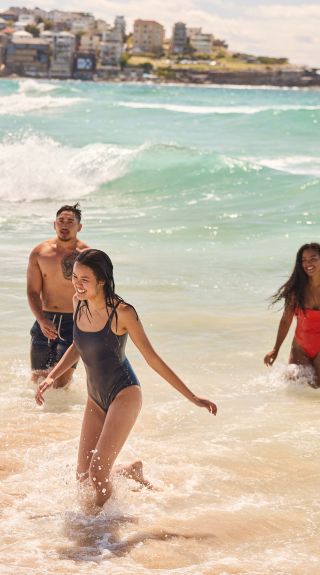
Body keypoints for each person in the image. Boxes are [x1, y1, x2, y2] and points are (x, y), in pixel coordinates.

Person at [35, 249, 217, 508]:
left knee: (97, 475)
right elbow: (79, 344)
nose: (77, 284)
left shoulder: (122, 313)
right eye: (75, 277)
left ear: (102, 281)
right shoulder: (78, 302)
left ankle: (103, 535)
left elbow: (153, 359)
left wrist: (194, 397)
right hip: (95, 397)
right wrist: (52, 377)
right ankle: (130, 471)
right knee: (83, 477)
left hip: (124, 394)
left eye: (84, 279)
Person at [27, 203, 89, 388]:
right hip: (45, 320)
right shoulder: (40, 253)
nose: (65, 224)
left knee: (61, 383)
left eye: (70, 221)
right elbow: (32, 291)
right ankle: (40, 417)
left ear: (79, 227)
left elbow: (97, 292)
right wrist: (41, 320)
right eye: (61, 220)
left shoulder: (87, 256)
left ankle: (64, 414)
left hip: (74, 323)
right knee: (38, 380)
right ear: (54, 224)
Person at [264, 242, 320, 387]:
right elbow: (285, 321)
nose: (308, 263)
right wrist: (275, 349)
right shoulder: (296, 290)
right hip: (300, 348)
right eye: (304, 260)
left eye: (313, 258)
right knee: (296, 388)